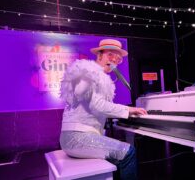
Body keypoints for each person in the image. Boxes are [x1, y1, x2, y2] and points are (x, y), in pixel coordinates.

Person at [59, 39, 147, 180]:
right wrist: (128, 110)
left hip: (78, 137)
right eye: (110, 55)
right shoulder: (89, 73)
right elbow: (97, 105)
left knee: (118, 157)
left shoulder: (95, 75)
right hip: (77, 138)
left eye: (118, 58)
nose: (114, 60)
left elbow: (94, 107)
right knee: (128, 152)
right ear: (99, 55)